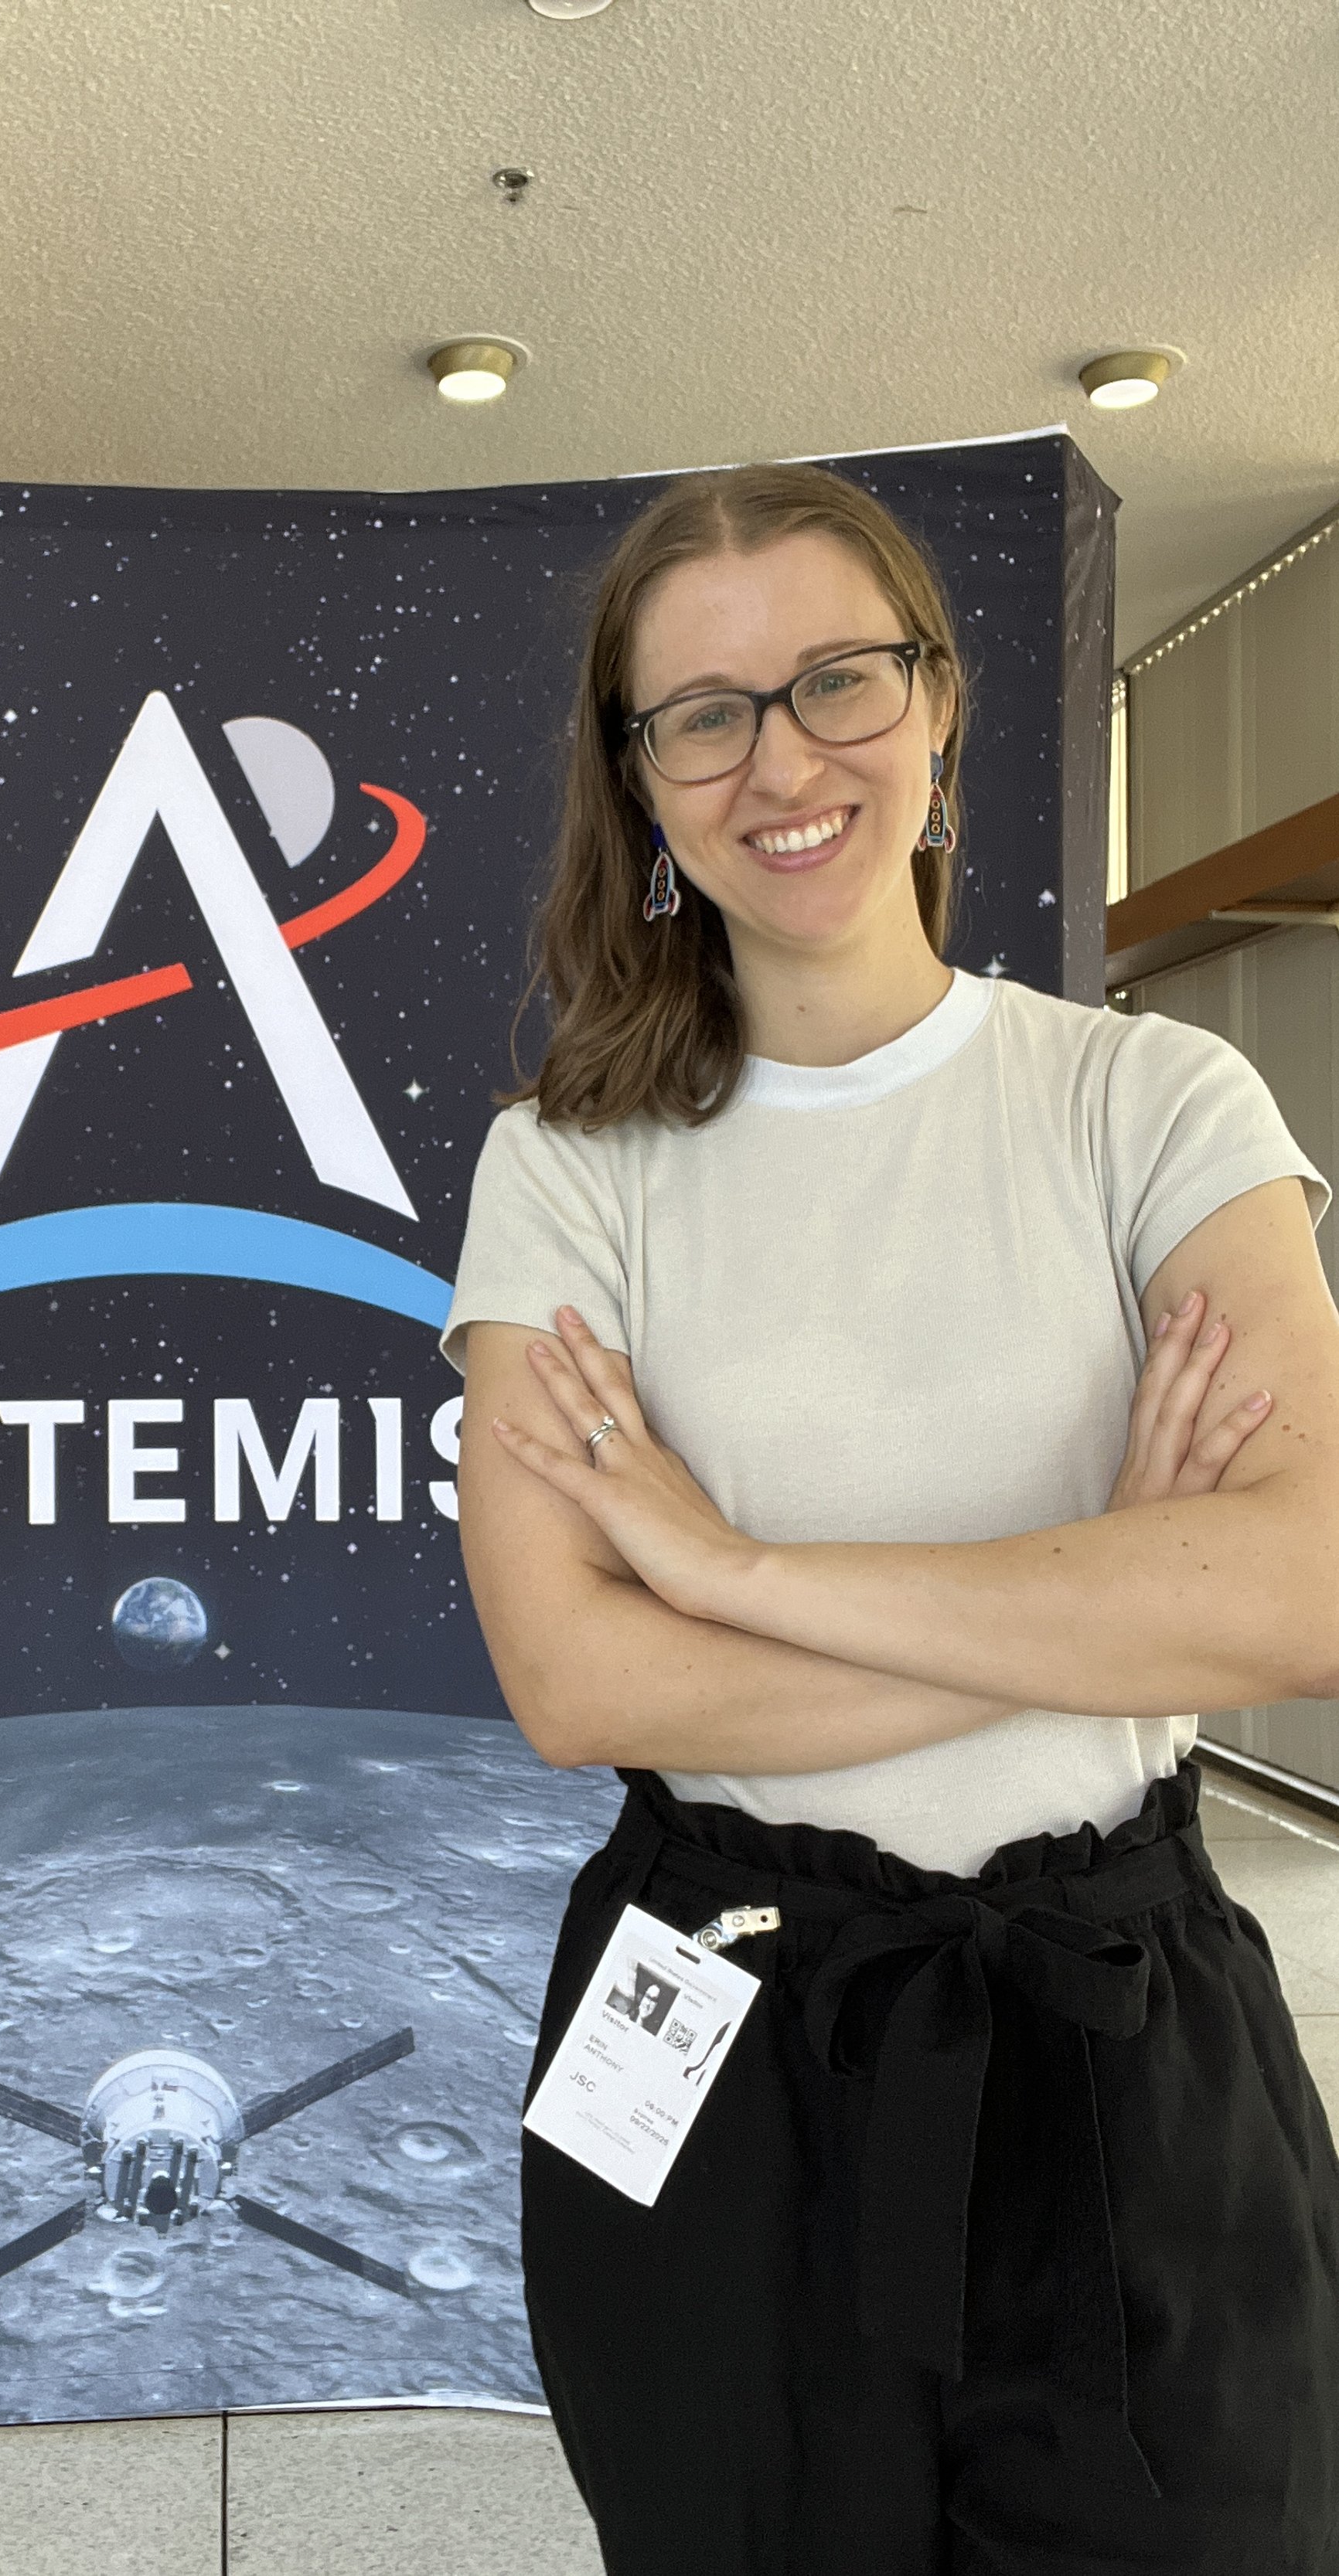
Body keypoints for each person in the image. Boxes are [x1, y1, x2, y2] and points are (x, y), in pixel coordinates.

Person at [441, 463, 1339, 2574]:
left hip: (1115, 2029)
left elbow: (1297, 1587)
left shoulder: (1147, 1105)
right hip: (717, 2017)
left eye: (837, 679)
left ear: (935, 708)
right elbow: (578, 1682)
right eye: (703, 711)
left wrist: (733, 1572)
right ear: (637, 783)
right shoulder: (566, 1168)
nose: (782, 757)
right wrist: (1101, 1589)